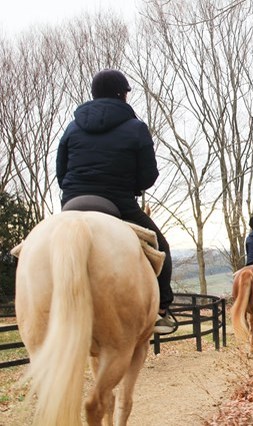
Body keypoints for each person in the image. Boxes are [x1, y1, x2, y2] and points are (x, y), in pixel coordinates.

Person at [56, 69, 176, 335]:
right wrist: (132, 186)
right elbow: (148, 176)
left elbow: (61, 172)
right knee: (162, 248)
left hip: (71, 203)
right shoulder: (136, 127)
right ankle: (161, 311)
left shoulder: (72, 127)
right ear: (122, 94)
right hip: (118, 203)